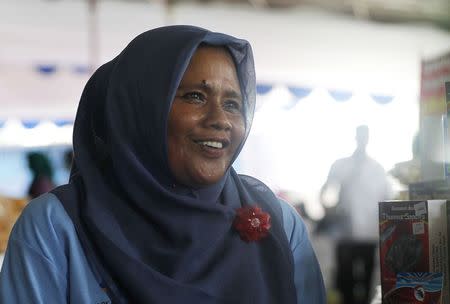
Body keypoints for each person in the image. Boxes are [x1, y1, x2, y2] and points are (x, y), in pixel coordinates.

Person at [0, 25, 326, 303]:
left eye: (233, 103)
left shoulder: (278, 221)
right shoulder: (56, 228)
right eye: (195, 96)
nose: (221, 120)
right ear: (140, 110)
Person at [319, 125, 392, 304]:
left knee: (367, 278)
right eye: (360, 135)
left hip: (369, 232)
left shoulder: (377, 168)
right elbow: (326, 190)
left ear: (368, 138)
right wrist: (328, 209)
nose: (362, 139)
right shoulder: (341, 164)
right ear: (356, 137)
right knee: (345, 279)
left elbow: (386, 198)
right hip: (344, 233)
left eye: (365, 136)